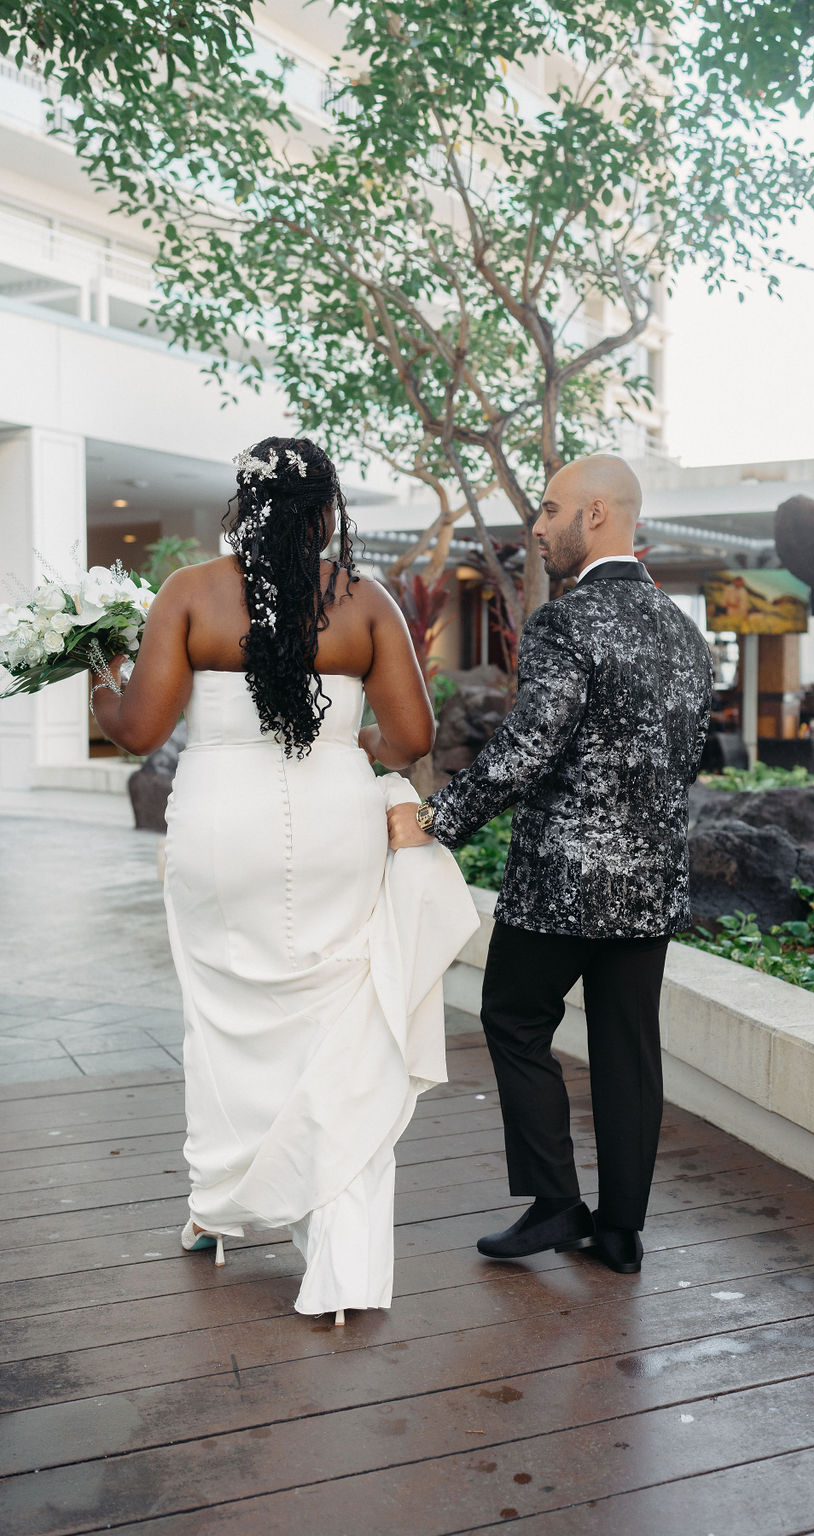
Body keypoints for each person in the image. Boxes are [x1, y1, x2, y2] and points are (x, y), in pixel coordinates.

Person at [89, 436, 477, 1325]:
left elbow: (140, 730)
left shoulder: (189, 592)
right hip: (338, 824)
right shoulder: (366, 602)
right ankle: (337, 1245)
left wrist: (97, 684)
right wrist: (347, 750)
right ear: (329, 513)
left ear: (241, 506)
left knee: (223, 1018)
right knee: (341, 1017)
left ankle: (217, 1206)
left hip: (220, 826)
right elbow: (413, 740)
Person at [388, 454, 713, 1275]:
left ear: (597, 513)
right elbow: (683, 761)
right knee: (629, 1049)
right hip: (649, 886)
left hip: (563, 885)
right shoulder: (685, 632)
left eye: (551, 508)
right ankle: (621, 1231)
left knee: (514, 1018)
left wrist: (438, 818)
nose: (537, 525)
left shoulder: (566, 623)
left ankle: (557, 1204)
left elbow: (531, 747)